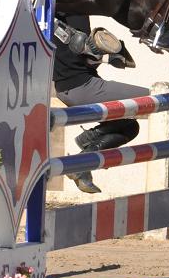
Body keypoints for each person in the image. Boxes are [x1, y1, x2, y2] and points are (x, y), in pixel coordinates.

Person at [53, 14, 147, 194]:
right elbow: (79, 56)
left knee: (129, 127)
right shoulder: (73, 8)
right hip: (81, 86)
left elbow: (78, 56)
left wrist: (106, 56)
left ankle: (83, 157)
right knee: (157, 97)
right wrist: (109, 55)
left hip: (72, 85)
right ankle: (83, 156)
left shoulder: (50, 10)